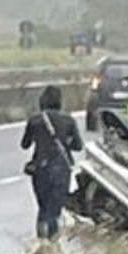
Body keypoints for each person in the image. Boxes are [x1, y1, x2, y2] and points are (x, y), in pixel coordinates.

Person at [21, 86, 83, 240]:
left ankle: (41, 241)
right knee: (54, 211)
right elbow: (78, 146)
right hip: (61, 170)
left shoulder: (35, 120)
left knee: (43, 208)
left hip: (40, 169)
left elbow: (25, 144)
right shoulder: (68, 121)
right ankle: (52, 244)